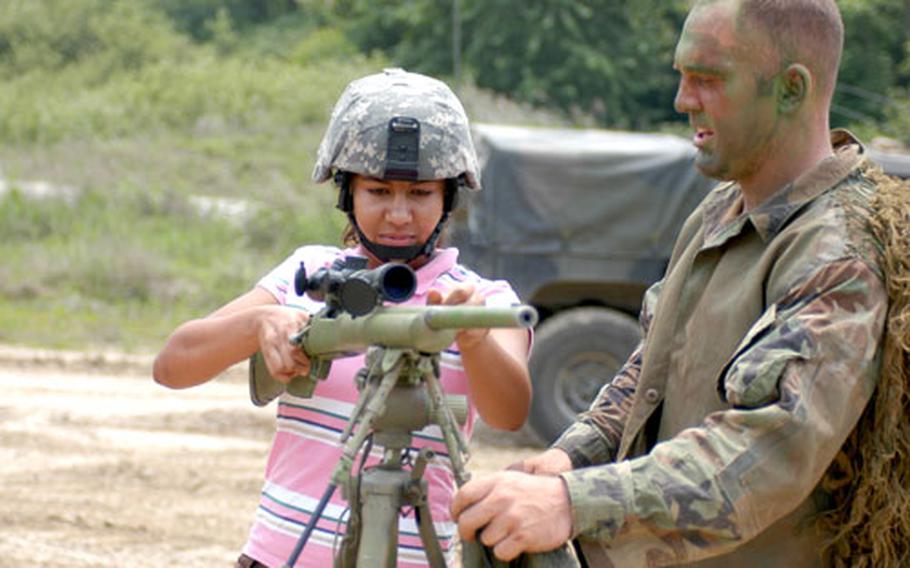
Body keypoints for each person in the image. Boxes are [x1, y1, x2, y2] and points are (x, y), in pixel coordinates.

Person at [452, 0, 904, 566]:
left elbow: (768, 452)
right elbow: (653, 368)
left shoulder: (838, 249)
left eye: (708, 80)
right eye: (682, 76)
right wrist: (572, 457)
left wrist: (574, 502)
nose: (683, 100)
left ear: (791, 89)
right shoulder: (722, 210)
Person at [153, 68, 532, 568]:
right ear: (347, 193)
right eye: (378, 191)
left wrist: (476, 336)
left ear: (448, 199)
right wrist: (261, 323)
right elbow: (172, 366)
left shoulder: (482, 298)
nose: (399, 214)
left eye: (419, 194)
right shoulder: (308, 274)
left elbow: (509, 413)